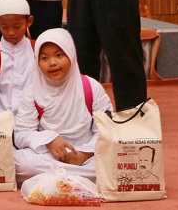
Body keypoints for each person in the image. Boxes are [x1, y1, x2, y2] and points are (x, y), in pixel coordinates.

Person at [13, 29, 112, 183]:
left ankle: (56, 176)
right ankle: (80, 177)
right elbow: (21, 134)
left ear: (71, 54)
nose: (52, 63)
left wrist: (83, 155)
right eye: (44, 58)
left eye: (59, 55)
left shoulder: (91, 87)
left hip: (87, 155)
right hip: (49, 155)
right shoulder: (32, 92)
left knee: (112, 162)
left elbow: (106, 130)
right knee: (19, 162)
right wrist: (49, 139)